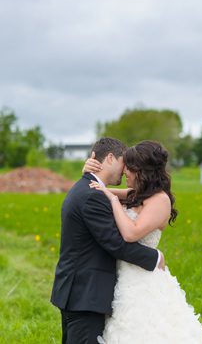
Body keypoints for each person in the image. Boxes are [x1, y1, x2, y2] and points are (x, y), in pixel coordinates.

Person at [83, 140, 202, 343]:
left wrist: (114, 202)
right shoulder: (136, 195)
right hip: (122, 276)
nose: (125, 172)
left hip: (143, 279)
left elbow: (131, 234)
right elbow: (96, 189)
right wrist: (88, 172)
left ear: (142, 171)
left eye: (130, 168)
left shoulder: (160, 200)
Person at [51, 137, 166, 343]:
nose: (125, 170)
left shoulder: (89, 189)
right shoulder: (91, 195)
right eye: (124, 163)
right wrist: (155, 257)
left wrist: (90, 176)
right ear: (111, 158)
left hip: (88, 291)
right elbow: (116, 243)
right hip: (85, 295)